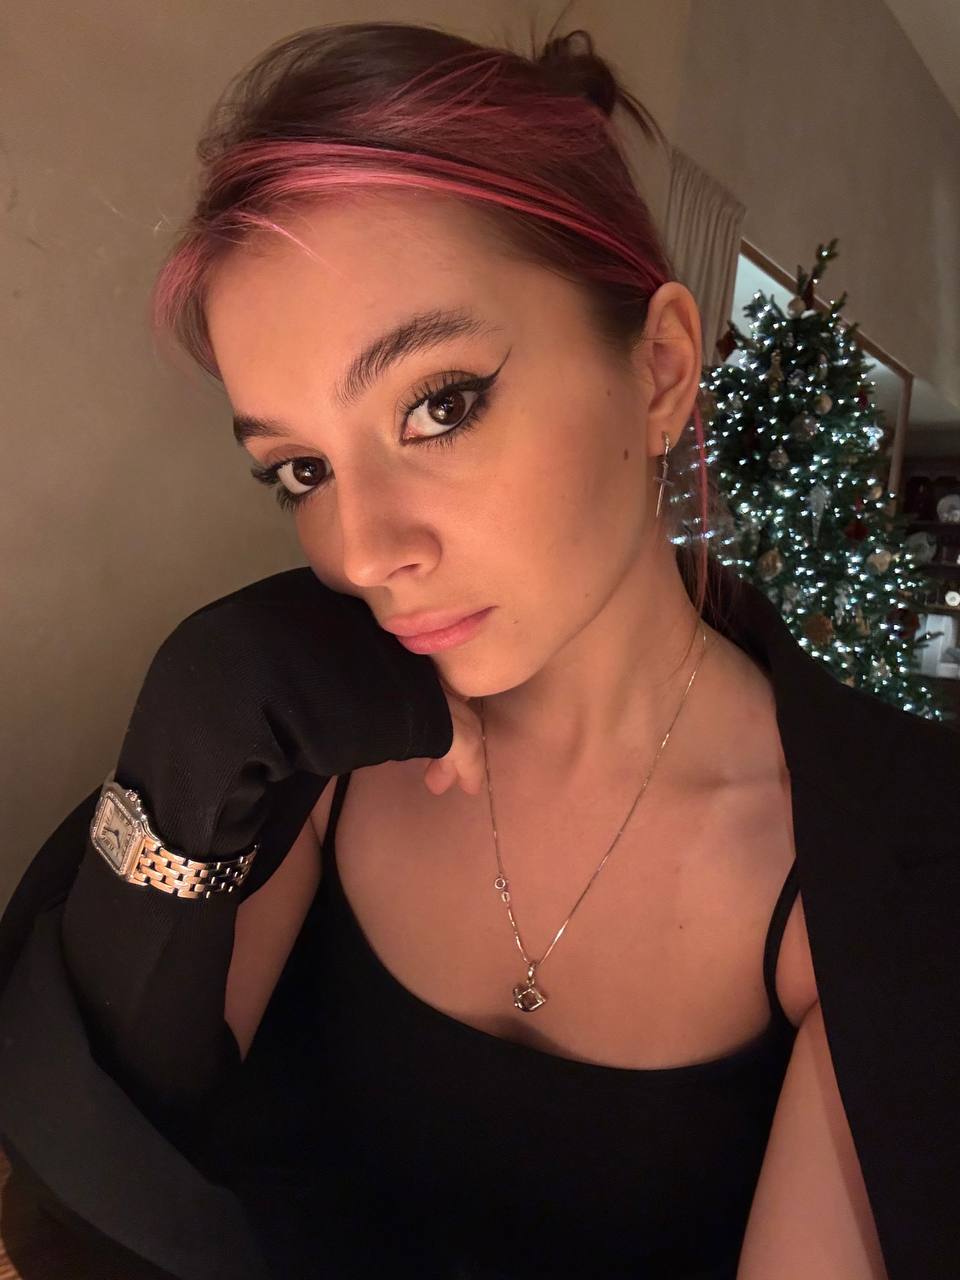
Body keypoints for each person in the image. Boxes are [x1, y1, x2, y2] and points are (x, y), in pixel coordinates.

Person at [0, 17, 957, 1280]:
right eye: (301, 469)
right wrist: (205, 701)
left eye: (440, 404)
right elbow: (89, 1180)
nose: (361, 550)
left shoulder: (857, 872)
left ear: (660, 369)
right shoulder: (318, 754)